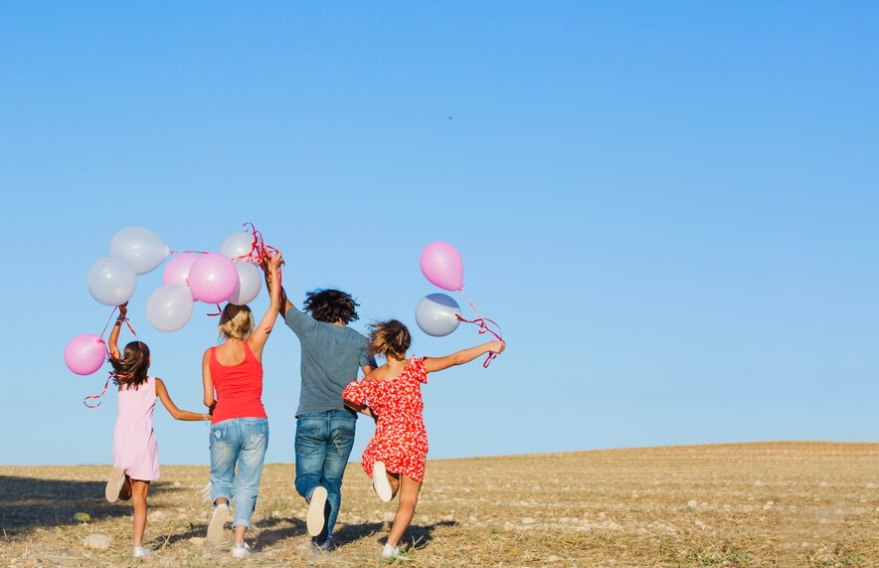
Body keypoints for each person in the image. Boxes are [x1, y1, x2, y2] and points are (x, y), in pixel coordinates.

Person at [341, 319, 505, 559]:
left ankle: (384, 480)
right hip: (412, 437)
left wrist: (373, 412)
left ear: (384, 347)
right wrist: (488, 346)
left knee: (391, 484)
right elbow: (456, 358)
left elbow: (350, 400)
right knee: (408, 500)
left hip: (386, 437)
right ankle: (390, 548)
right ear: (405, 345)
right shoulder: (414, 367)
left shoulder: (373, 377)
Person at [272, 274, 377, 552]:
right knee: (333, 483)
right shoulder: (361, 341)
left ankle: (312, 493)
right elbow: (373, 378)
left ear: (317, 308)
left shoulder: (309, 329)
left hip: (311, 416)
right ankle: (322, 544)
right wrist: (366, 404)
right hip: (345, 419)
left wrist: (270, 269)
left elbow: (280, 301)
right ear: (347, 310)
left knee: (306, 479)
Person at [105, 302, 211, 558]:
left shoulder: (121, 380)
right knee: (140, 499)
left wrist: (120, 318)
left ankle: (120, 480)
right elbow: (176, 413)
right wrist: (205, 416)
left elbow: (111, 347)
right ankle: (138, 547)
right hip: (143, 440)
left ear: (128, 361)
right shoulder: (156, 383)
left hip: (121, 437)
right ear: (149, 360)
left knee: (127, 493)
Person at [202, 250, 283, 558]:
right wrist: (273, 272)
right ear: (247, 322)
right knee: (248, 484)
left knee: (221, 477)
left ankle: (221, 504)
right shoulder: (254, 346)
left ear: (223, 323)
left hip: (222, 420)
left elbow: (209, 399)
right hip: (255, 421)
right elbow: (275, 308)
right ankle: (239, 544)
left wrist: (215, 405)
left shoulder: (209, 355)